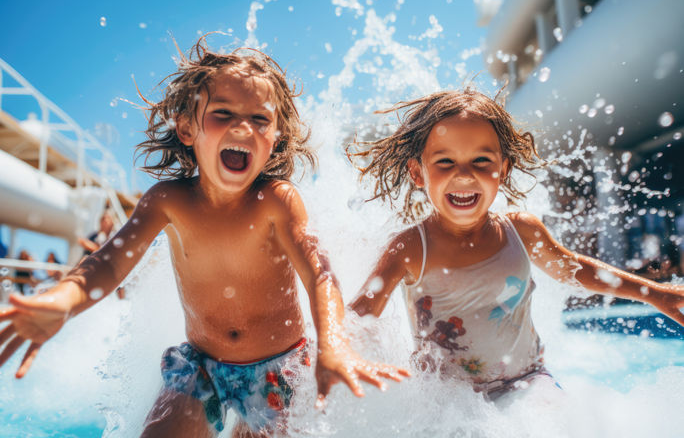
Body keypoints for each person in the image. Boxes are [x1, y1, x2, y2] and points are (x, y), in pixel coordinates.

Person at [0, 36, 407, 438]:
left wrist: (333, 343)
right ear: (187, 128)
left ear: (276, 138)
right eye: (223, 113)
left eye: (260, 119)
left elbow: (319, 274)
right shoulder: (169, 201)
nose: (243, 127)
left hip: (278, 368)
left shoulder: (276, 201)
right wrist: (63, 298)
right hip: (200, 367)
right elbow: (109, 262)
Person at [347, 89, 684, 403]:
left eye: (481, 161)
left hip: (526, 382)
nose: (464, 175)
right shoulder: (410, 248)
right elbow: (361, 314)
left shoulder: (520, 230)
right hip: (447, 401)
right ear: (417, 173)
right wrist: (333, 350)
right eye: (445, 162)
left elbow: (574, 269)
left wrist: (654, 293)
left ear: (503, 169)